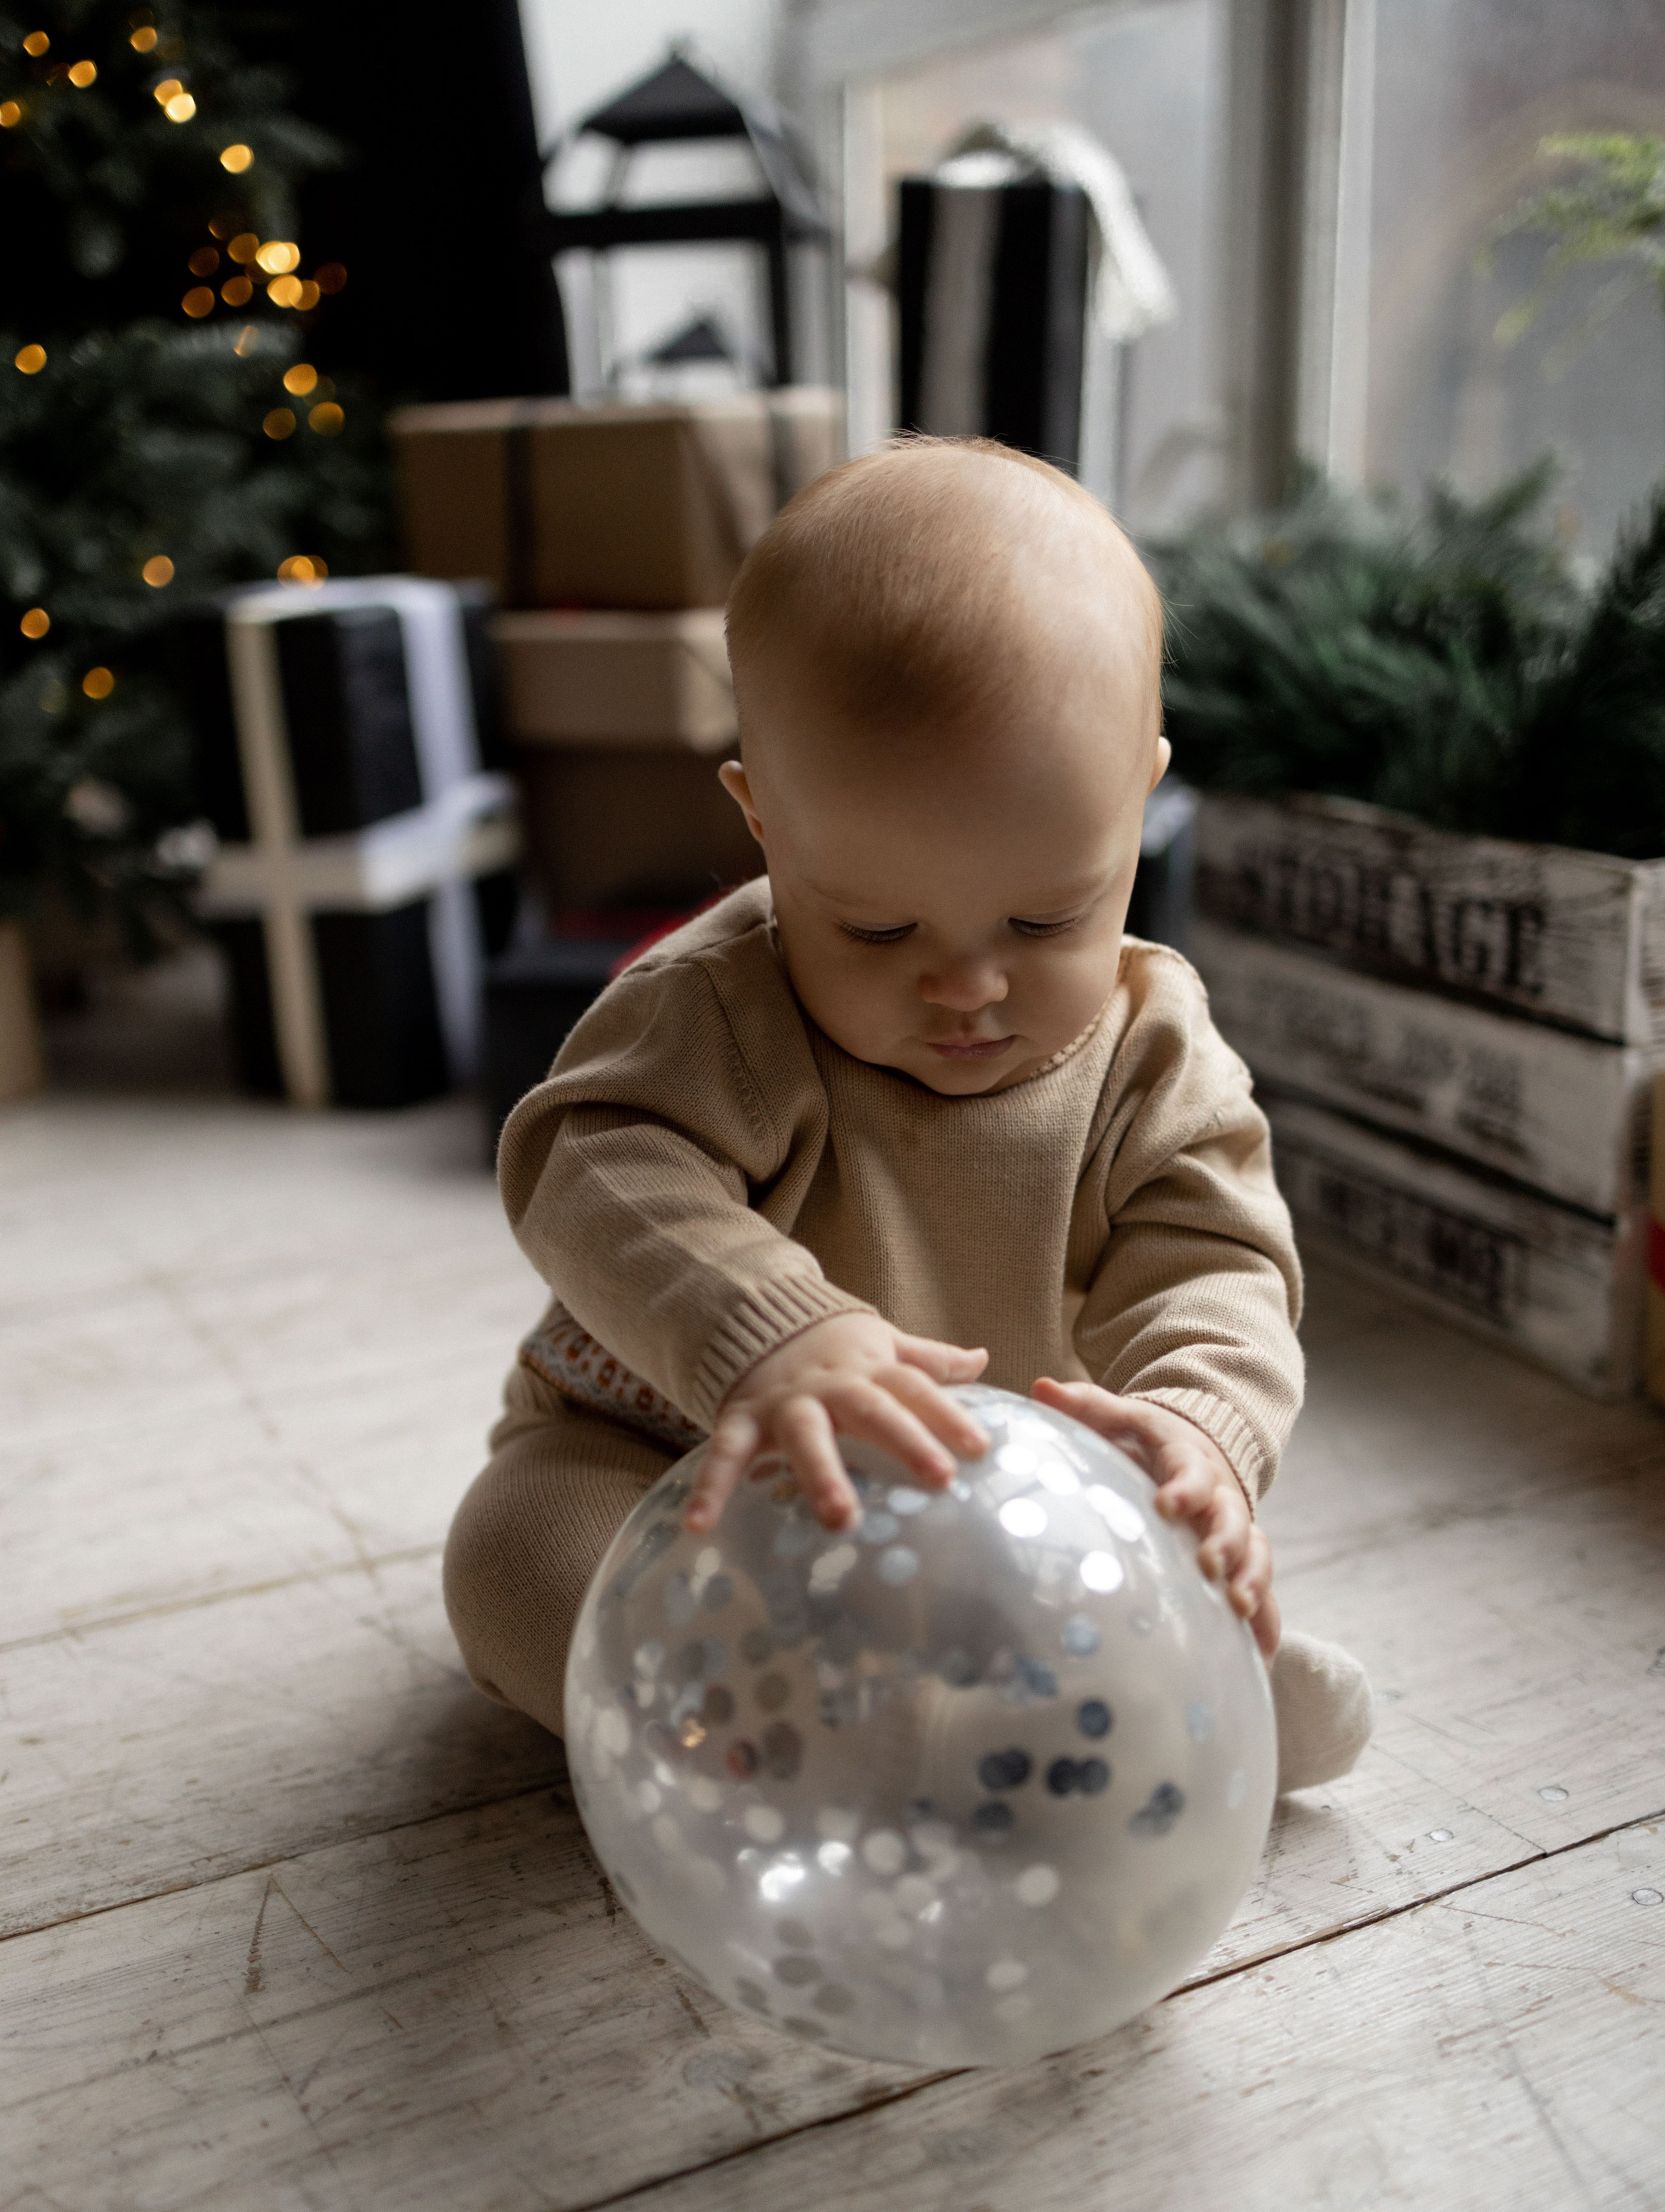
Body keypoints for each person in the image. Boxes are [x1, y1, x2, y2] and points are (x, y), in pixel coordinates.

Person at [444, 437, 1372, 1794]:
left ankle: (1171, 1688)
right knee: (514, 1554)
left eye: (1046, 919)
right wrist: (768, 1333)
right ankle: (796, 1713)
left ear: (1140, 798)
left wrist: (1196, 1426)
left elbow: (1216, 1261)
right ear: (763, 820)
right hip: (674, 1460)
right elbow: (583, 1163)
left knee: (1126, 1541)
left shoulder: (1152, 1048)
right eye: (876, 927)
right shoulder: (716, 1006)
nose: (966, 987)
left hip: (988, 1497)